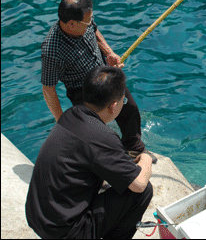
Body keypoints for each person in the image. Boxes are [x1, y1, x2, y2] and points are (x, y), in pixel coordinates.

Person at [26, 66, 154, 239]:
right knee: (143, 191)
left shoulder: (70, 115)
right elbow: (138, 184)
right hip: (66, 232)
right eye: (123, 102)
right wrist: (145, 158)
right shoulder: (102, 136)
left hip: (38, 217)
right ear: (113, 106)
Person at [41, 0, 156, 162]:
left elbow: (94, 30)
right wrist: (62, 122)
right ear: (71, 24)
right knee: (95, 133)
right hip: (83, 91)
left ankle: (133, 148)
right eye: (86, 22)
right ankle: (105, 167)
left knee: (129, 108)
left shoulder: (84, 20)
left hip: (104, 75)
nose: (90, 23)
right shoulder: (52, 50)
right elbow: (48, 88)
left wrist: (109, 52)